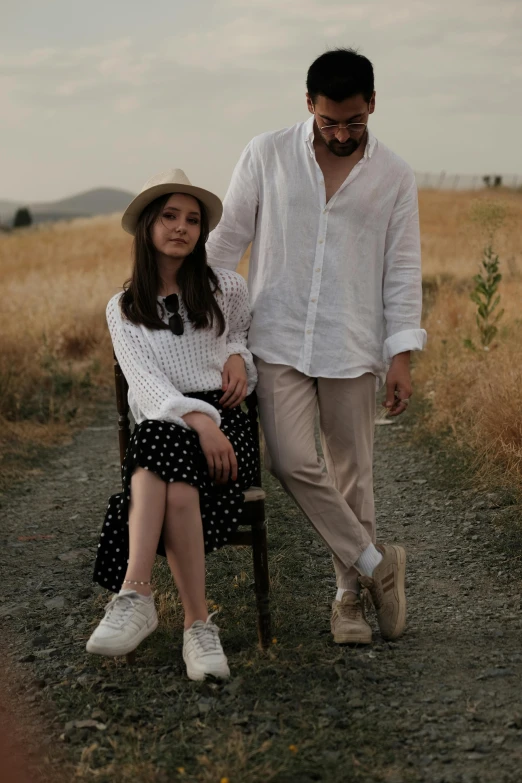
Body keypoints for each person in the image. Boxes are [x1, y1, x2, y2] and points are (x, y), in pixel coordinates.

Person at [206, 48, 427, 645]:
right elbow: (227, 243)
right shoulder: (266, 154)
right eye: (330, 121)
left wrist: (400, 352)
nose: (341, 133)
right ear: (309, 105)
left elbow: (402, 269)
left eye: (353, 122)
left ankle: (348, 599)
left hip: (354, 340)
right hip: (275, 337)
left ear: (372, 106)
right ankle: (381, 565)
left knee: (354, 474)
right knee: (291, 460)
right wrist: (184, 300)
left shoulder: (395, 175)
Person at [86, 169, 258, 680]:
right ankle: (198, 627)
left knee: (159, 455)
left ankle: (137, 596)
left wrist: (236, 358)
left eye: (192, 219)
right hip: (171, 420)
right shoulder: (124, 309)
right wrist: (200, 422)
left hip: (226, 430)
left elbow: (243, 344)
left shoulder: (226, 286)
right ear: (147, 226)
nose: (181, 227)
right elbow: (149, 388)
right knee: (169, 461)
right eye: (169, 216)